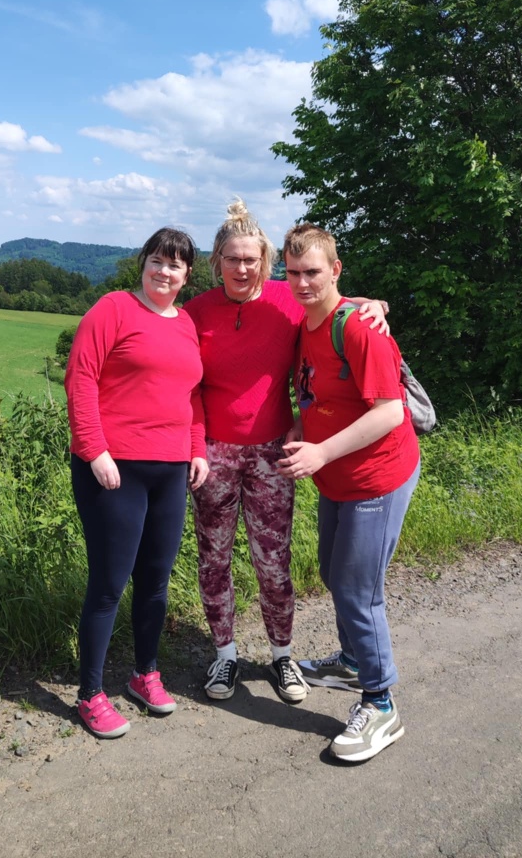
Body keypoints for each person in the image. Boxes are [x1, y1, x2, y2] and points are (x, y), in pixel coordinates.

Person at [182, 201, 388, 704]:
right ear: (216, 261)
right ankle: (225, 654)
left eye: (251, 259)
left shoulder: (286, 300)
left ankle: (282, 656)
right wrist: (195, 446)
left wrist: (375, 305)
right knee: (214, 558)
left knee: (273, 560)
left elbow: (334, 303)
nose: (242, 268)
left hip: (274, 451)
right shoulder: (197, 312)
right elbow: (188, 387)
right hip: (214, 452)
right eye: (233, 259)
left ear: (266, 261)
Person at [278, 222, 420, 763]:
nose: (302, 283)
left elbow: (390, 412)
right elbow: (318, 393)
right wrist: (301, 425)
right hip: (337, 476)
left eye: (312, 272)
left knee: (358, 591)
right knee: (334, 573)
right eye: (293, 272)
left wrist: (319, 452)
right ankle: (354, 662)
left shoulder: (360, 328)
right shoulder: (306, 322)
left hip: (377, 477)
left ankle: (381, 703)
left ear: (335, 270)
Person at [64, 227, 209, 739]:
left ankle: (145, 674)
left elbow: (193, 394)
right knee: (109, 583)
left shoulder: (186, 324)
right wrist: (94, 449)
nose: (164, 272)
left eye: (175, 265)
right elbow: (81, 377)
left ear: (187, 275)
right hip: (113, 468)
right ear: (143, 263)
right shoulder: (113, 309)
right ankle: (90, 694)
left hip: (170, 469)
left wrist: (197, 448)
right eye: (156, 261)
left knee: (155, 581)